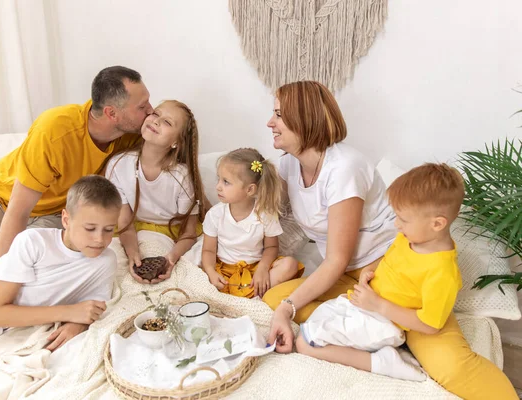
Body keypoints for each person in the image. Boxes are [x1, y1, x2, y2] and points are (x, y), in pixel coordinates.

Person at [263, 81, 518, 399]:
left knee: (452, 367)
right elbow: (278, 217)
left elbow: (336, 259)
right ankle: (382, 337)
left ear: (305, 119)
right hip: (357, 278)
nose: (270, 123)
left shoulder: (344, 167)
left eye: (278, 115)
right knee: (275, 299)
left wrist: (288, 310)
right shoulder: (290, 165)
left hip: (395, 281)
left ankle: (395, 334)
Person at [0, 175, 122, 399]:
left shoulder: (105, 262)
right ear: (66, 219)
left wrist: (77, 323)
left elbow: (91, 309)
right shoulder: (34, 242)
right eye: (90, 228)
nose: (99, 239)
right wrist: (70, 312)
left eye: (108, 229)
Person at [0, 66, 153, 267]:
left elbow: (169, 139)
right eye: (142, 107)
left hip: (53, 214)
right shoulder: (55, 131)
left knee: (41, 280)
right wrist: (2, 281)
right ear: (112, 113)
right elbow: (18, 210)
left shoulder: (128, 134)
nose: (151, 111)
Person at [297, 163, 466, 382]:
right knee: (314, 321)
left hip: (385, 323)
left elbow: (430, 325)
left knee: (306, 343)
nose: (396, 225)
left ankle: (381, 363)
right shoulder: (409, 238)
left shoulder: (442, 272)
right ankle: (383, 355)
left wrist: (378, 305)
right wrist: (370, 272)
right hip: (366, 305)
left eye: (403, 219)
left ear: (437, 224)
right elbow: (391, 262)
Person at [106, 100, 206, 284]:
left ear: (176, 142)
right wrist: (133, 254)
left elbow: (189, 233)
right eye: (156, 114)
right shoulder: (118, 165)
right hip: (130, 231)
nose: (157, 121)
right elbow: (125, 224)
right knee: (110, 266)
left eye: (168, 122)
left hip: (169, 233)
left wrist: (170, 259)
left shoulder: (181, 178)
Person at [201, 148, 302, 298]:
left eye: (226, 182)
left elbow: (272, 247)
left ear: (249, 190)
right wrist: (211, 272)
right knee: (199, 272)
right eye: (219, 179)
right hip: (224, 270)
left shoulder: (265, 215)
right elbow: (208, 251)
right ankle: (247, 295)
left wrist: (262, 268)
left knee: (290, 265)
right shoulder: (215, 215)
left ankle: (252, 292)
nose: (218, 186)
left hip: (255, 270)